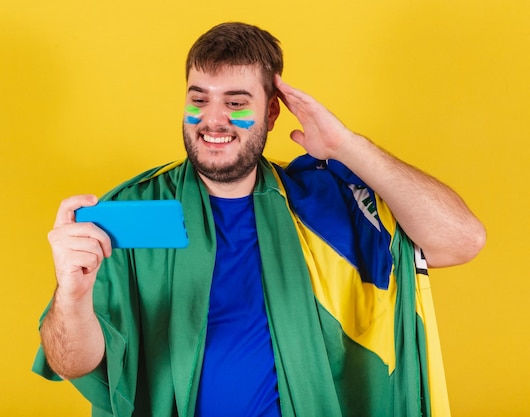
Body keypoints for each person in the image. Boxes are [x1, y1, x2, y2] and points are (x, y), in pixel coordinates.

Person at [33, 22, 486, 417]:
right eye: (199, 99)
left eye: (236, 102)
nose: (213, 120)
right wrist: (70, 295)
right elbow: (72, 362)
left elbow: (462, 240)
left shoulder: (329, 204)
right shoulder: (131, 210)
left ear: (272, 112)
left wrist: (346, 145)